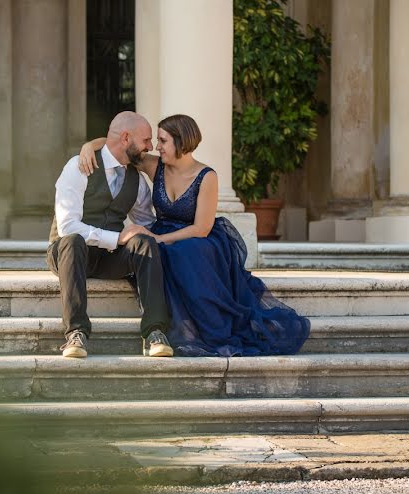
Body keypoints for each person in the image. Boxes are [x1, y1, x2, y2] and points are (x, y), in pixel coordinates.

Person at [79, 114, 310, 357]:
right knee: (152, 251)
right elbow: (120, 143)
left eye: (163, 141)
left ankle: (196, 327)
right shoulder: (154, 165)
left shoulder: (207, 176)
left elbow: (202, 228)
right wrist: (88, 147)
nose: (156, 147)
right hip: (163, 231)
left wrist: (155, 238)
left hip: (196, 237)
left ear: (181, 142)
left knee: (187, 252)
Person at [48, 111, 173, 359]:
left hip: (108, 258)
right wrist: (116, 238)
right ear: (126, 138)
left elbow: (147, 222)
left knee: (144, 243)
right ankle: (76, 333)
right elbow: (68, 227)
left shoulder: (136, 180)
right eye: (146, 140)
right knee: (72, 241)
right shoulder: (79, 166)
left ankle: (155, 332)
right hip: (69, 254)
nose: (150, 147)